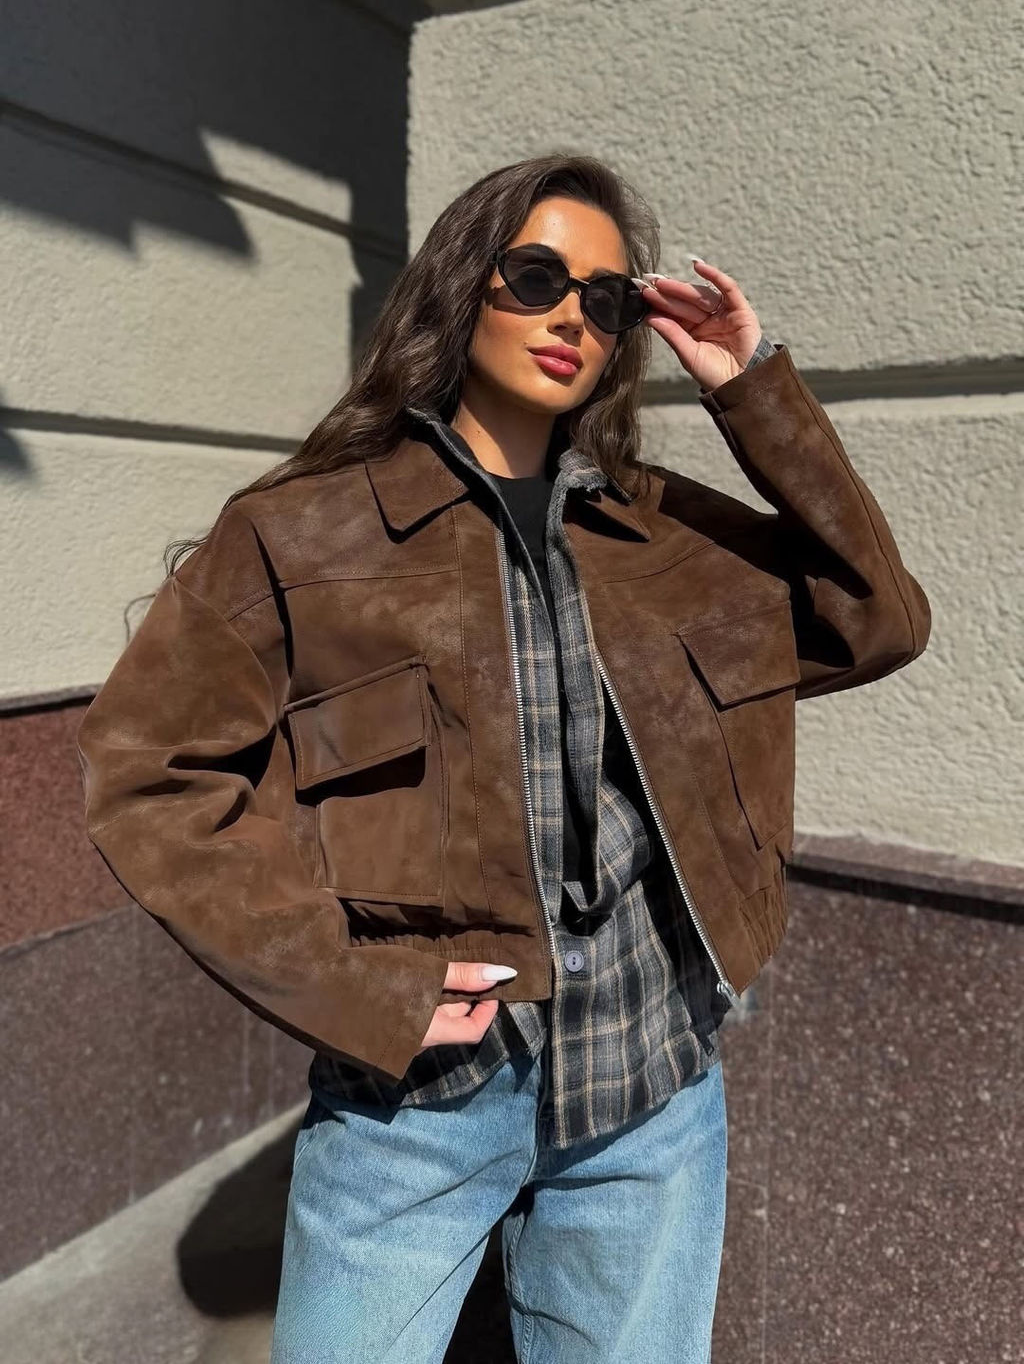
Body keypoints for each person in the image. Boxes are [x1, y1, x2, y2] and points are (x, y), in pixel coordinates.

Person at [76, 153, 931, 1363]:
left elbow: (874, 619)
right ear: (462, 284)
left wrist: (752, 392)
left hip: (650, 1089)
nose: (571, 316)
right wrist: (362, 991)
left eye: (606, 298)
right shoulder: (302, 535)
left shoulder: (658, 530)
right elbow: (151, 771)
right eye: (536, 277)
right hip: (416, 1111)